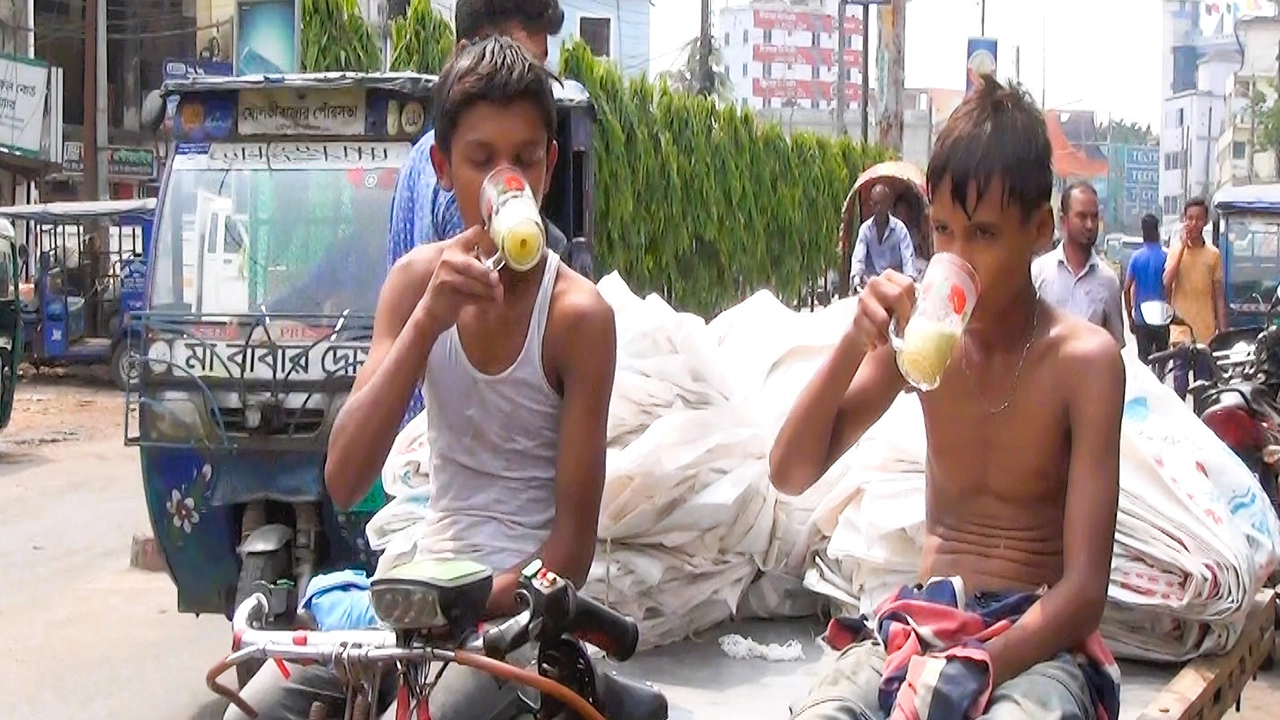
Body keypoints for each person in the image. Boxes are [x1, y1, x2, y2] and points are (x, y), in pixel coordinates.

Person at [228, 37, 618, 720]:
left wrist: (468, 602)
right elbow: (345, 480)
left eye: (525, 159)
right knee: (253, 707)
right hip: (421, 589)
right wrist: (424, 324)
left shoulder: (578, 318)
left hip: (517, 620)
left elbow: (570, 553)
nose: (508, 180)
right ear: (442, 168)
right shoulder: (414, 284)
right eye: (482, 160)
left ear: (550, 167)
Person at [772, 78, 1122, 720]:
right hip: (927, 616)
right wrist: (857, 338)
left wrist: (984, 665)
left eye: (983, 235)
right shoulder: (923, 345)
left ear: (1039, 230)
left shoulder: (1084, 363)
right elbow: (789, 471)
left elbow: (1082, 594)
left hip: (1032, 639)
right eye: (942, 231)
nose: (957, 257)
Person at [387, 0, 566, 427]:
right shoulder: (475, 198)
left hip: (407, 439)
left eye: (536, 72)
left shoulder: (418, 159)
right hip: (440, 434)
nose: (524, 85)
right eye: (523, 61)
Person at [1031, 181, 1126, 347]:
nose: (1090, 225)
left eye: (1094, 217)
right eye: (1082, 217)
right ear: (1063, 220)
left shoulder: (1108, 282)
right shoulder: (1038, 272)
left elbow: (1115, 345)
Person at [1163, 197, 1226, 400]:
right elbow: (1167, 281)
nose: (1193, 223)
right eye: (1189, 218)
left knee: (1204, 390)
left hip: (1205, 333)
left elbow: (1218, 295)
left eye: (1199, 219)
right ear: (1184, 220)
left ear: (1206, 221)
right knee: (1180, 386)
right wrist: (1182, 248)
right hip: (1181, 331)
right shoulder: (1175, 251)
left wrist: (1223, 332)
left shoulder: (1213, 255)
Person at [1125, 213, 1170, 369]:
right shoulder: (1166, 257)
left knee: (1144, 364)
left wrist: (1130, 315)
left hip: (1141, 320)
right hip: (1162, 319)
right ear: (1157, 231)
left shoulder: (1136, 257)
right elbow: (1170, 287)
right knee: (1162, 361)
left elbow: (1126, 288)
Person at [851, 183, 918, 284]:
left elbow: (908, 260)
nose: (877, 208)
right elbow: (858, 259)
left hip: (894, 284)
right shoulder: (865, 229)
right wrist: (856, 279)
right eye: (874, 204)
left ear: (888, 205)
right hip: (872, 284)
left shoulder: (900, 229)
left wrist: (910, 280)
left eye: (880, 204)